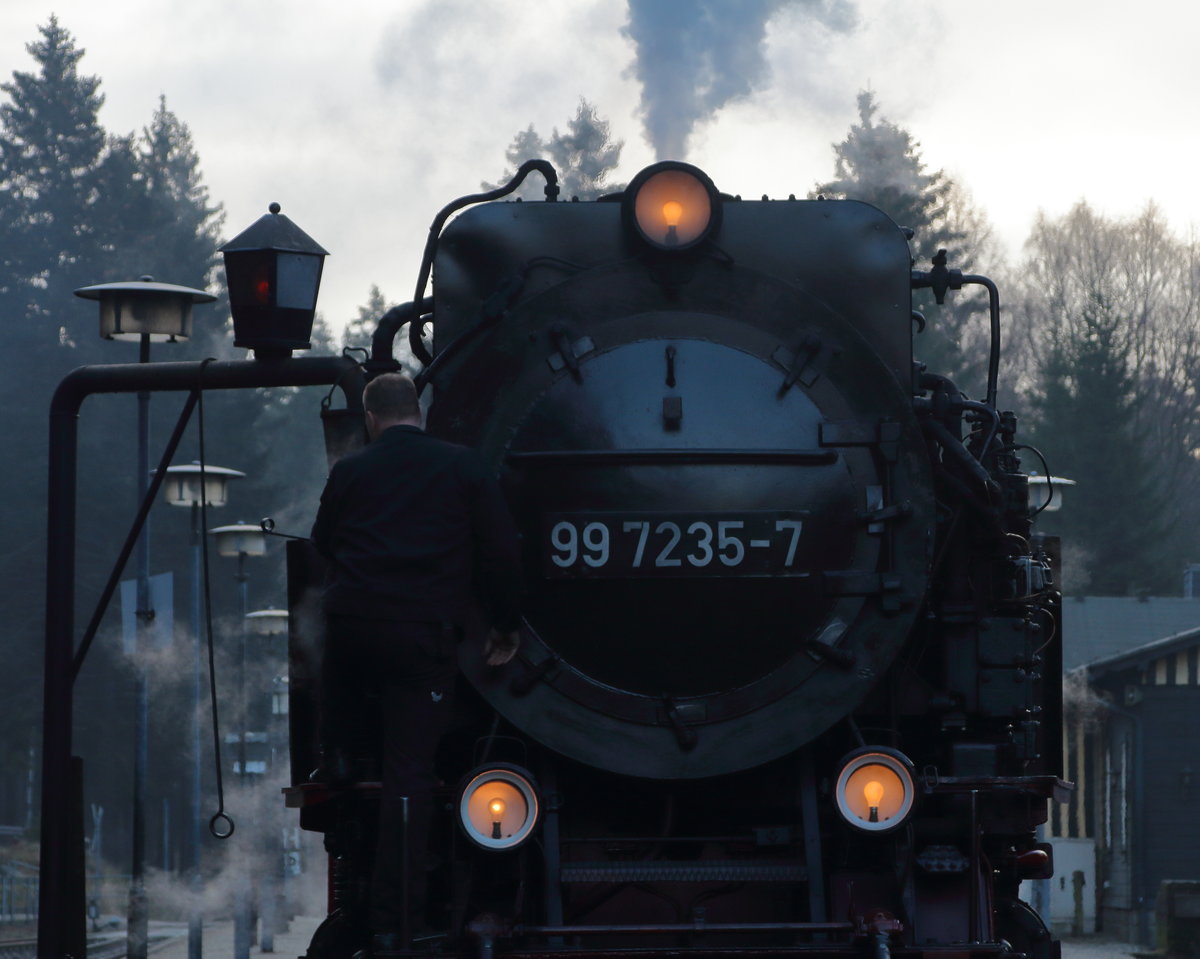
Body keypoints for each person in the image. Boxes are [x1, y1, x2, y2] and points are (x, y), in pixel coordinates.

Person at [311, 372, 522, 949]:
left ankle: (337, 758)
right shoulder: (463, 467)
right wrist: (504, 624)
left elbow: (323, 541)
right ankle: (395, 922)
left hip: (353, 632)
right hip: (420, 637)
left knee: (341, 693)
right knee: (409, 776)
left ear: (370, 419)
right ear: (418, 411)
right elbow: (500, 552)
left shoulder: (350, 470)